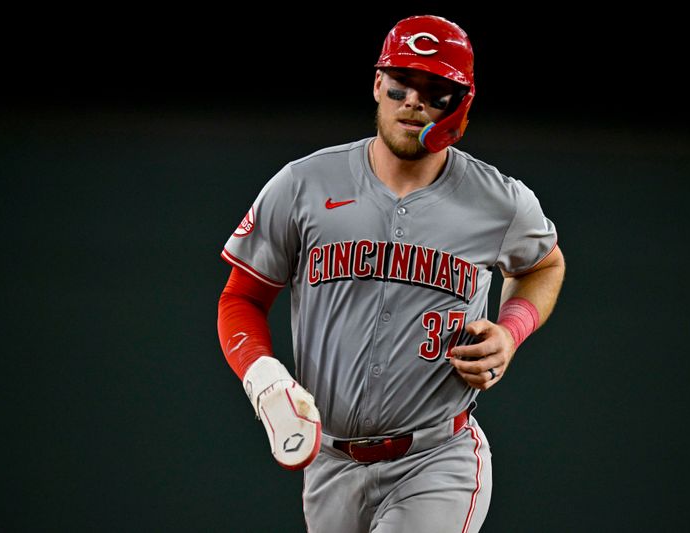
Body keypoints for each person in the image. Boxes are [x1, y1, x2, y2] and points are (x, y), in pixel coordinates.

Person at [217, 14, 565, 533]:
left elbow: (544, 265)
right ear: (378, 83)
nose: (413, 101)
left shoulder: (499, 201)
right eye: (401, 83)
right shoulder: (303, 184)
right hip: (329, 463)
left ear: (461, 103)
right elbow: (240, 297)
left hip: (436, 455)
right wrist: (263, 379)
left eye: (435, 90)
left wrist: (510, 333)